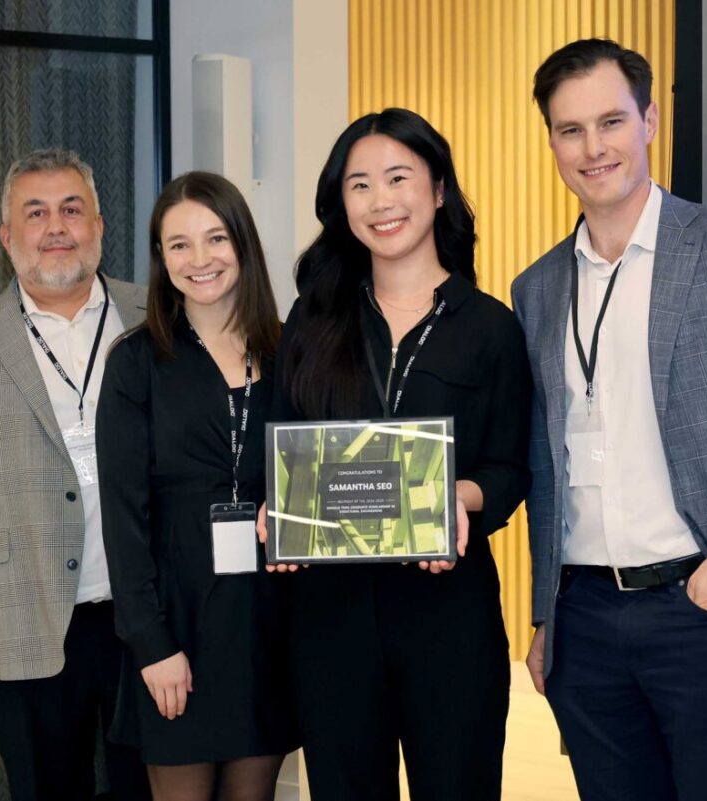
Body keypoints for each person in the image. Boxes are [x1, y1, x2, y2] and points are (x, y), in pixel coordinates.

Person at [513, 39, 707, 801]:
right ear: (551, 140)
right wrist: (545, 614)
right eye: (569, 130)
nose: (593, 148)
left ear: (650, 120)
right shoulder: (538, 287)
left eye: (611, 121)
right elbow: (547, 467)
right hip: (585, 625)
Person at [262, 108, 532, 800]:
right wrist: (277, 509)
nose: (380, 201)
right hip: (330, 619)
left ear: (438, 189)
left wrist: (461, 497)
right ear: (340, 203)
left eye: (398, 177)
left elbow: (509, 467)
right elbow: (284, 441)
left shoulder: (490, 327)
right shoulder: (313, 320)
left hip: (448, 613)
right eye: (359, 185)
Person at [0, 148, 152, 801]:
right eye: (35, 212)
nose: (56, 227)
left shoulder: (159, 317)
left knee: (152, 785)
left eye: (72, 209)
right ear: (7, 237)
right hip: (17, 610)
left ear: (100, 224)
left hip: (147, 609)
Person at [97, 171, 297, 801]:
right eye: (178, 244)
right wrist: (151, 644)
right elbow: (122, 521)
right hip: (175, 628)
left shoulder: (294, 355)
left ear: (243, 244)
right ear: (160, 258)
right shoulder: (136, 363)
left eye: (215, 238)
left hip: (266, 626)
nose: (200, 259)